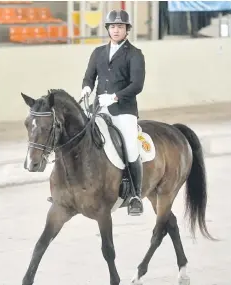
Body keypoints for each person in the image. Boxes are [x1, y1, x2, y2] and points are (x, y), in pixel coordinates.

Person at [81, 9, 146, 216]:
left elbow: (137, 85)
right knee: (82, 141)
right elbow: (89, 77)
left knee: (130, 146)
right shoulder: (98, 52)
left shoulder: (135, 54)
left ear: (127, 30)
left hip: (123, 110)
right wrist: (86, 88)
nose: (116, 30)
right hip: (99, 109)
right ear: (108, 29)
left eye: (120, 27)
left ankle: (135, 195)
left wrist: (115, 97)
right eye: (113, 26)